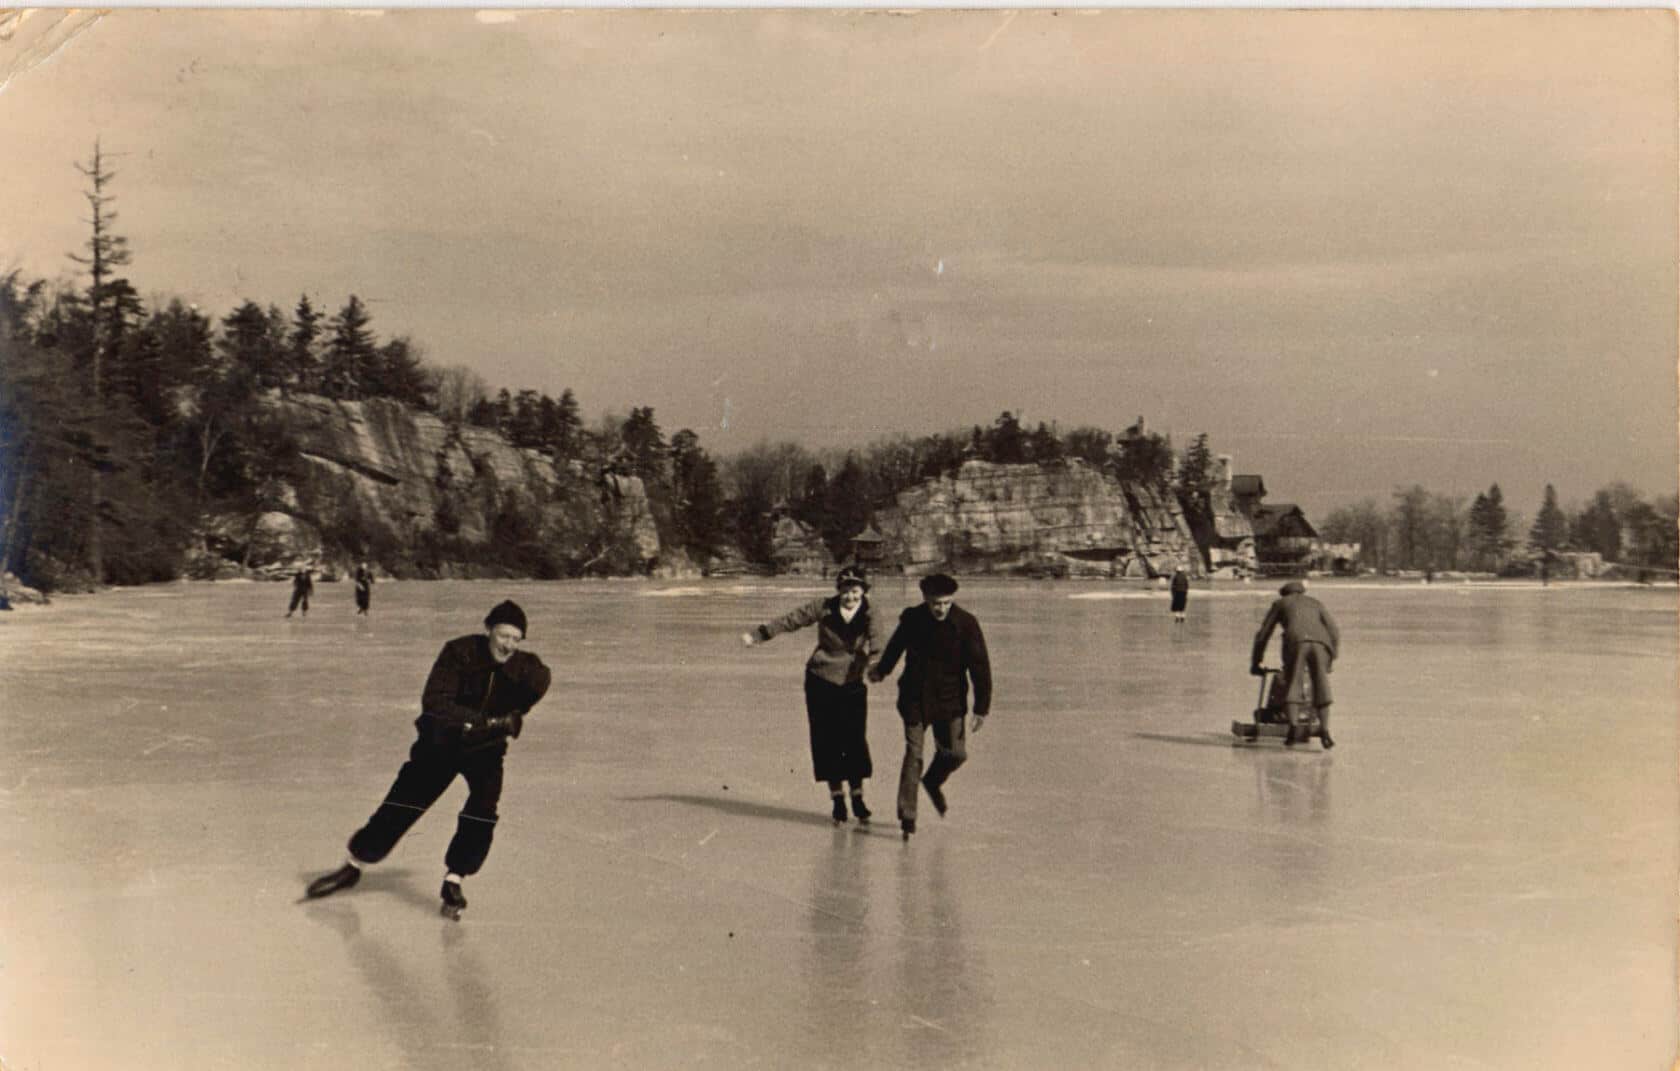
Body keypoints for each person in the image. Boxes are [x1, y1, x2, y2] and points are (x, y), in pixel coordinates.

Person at [305, 599, 552, 918]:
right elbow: (435, 702)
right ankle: (354, 865)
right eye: (504, 636)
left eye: (517, 640)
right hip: (441, 745)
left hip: (485, 752)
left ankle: (454, 878)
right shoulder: (458, 653)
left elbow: (541, 679)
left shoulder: (523, 667)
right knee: (402, 804)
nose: (509, 645)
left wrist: (517, 711)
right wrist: (489, 722)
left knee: (483, 811)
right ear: (489, 629)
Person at [741, 565, 887, 823]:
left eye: (855, 591)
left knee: (854, 739)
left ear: (863, 591)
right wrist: (761, 634)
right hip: (821, 680)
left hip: (852, 682)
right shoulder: (824, 606)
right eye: (845, 590)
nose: (850, 596)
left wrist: (876, 663)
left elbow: (877, 639)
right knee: (826, 740)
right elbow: (793, 619)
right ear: (838, 591)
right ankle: (837, 800)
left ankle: (857, 796)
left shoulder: (870, 611)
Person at [869, 573, 992, 839]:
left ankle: (933, 780)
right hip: (915, 697)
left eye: (947, 603)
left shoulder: (966, 624)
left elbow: (980, 667)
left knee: (956, 754)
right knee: (914, 755)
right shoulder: (913, 619)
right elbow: (895, 647)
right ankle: (907, 816)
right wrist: (882, 671)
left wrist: (981, 707)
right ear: (925, 599)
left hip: (951, 700)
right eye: (936, 603)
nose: (941, 609)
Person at [1250, 579, 1340, 749]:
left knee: (1294, 683)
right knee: (1321, 685)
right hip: (1322, 643)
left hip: (1296, 642)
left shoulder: (1280, 603)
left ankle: (1292, 730)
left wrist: (1256, 662)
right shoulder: (1315, 602)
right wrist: (1331, 657)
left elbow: (1263, 634)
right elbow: (1334, 631)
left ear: (1285, 593)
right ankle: (1325, 732)